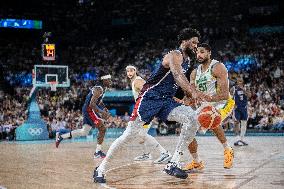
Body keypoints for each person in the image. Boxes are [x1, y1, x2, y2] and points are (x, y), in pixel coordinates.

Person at [93, 28, 212, 183]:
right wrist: (194, 92)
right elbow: (177, 76)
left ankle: (173, 163)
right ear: (184, 41)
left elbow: (183, 85)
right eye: (194, 42)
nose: (196, 46)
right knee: (129, 135)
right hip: (150, 98)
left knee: (192, 118)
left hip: (166, 100)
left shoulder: (188, 61)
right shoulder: (174, 55)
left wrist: (191, 96)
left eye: (197, 43)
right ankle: (101, 168)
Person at [176, 43, 235, 171]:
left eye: (202, 52)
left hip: (222, 102)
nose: (199, 55)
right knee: (187, 127)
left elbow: (224, 94)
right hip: (206, 104)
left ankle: (228, 149)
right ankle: (197, 161)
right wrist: (185, 100)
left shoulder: (218, 67)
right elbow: (192, 94)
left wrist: (207, 98)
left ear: (209, 53)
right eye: (197, 52)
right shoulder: (194, 73)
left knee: (210, 115)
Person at [55, 74, 112, 159]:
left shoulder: (102, 88)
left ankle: (61, 136)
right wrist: (102, 112)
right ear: (103, 80)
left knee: (84, 132)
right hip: (89, 110)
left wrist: (104, 108)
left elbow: (98, 101)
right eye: (108, 79)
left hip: (87, 109)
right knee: (102, 128)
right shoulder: (98, 89)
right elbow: (92, 104)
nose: (110, 81)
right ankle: (97, 152)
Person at [126, 65, 171, 163]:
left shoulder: (138, 81)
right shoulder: (134, 82)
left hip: (146, 112)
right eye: (127, 71)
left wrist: (152, 110)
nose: (129, 73)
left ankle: (164, 153)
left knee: (141, 134)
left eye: (131, 71)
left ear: (135, 71)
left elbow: (150, 92)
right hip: (145, 111)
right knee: (141, 135)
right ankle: (146, 154)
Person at [232, 78, 249, 146]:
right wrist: (232, 105)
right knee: (236, 122)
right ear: (236, 82)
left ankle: (242, 139)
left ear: (243, 82)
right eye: (238, 81)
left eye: (241, 81)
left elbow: (249, 95)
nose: (239, 82)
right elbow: (229, 97)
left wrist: (243, 89)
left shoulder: (246, 88)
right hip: (237, 108)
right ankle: (237, 139)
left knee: (244, 123)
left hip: (244, 108)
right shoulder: (233, 88)